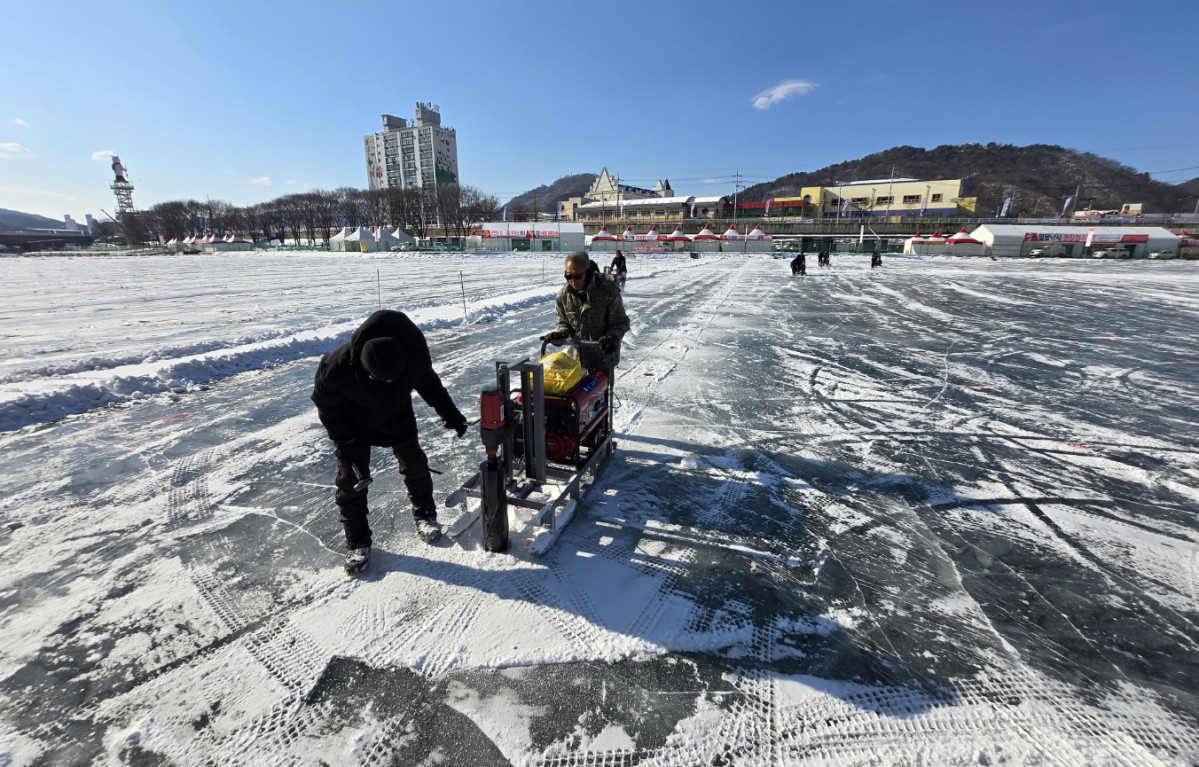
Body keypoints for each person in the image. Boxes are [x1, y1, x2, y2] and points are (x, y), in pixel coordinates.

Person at [312, 309, 468, 575]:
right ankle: (358, 542)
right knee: (350, 481)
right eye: (380, 379)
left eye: (393, 379)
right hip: (353, 425)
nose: (387, 382)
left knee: (415, 465)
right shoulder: (336, 368)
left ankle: (425, 515)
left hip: (397, 417)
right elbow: (327, 407)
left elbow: (430, 385)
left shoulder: (414, 357)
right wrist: (344, 439)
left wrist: (451, 414)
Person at [540, 251, 630, 382]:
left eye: (577, 276)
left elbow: (620, 322)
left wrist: (611, 338)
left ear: (587, 273)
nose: (572, 281)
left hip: (603, 359)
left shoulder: (608, 291)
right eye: (568, 276)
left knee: (600, 398)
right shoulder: (563, 296)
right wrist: (560, 335)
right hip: (576, 362)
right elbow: (564, 323)